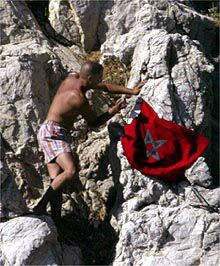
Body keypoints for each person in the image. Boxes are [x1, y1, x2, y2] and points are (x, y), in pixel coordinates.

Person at [33, 60, 145, 228]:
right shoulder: (78, 98)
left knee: (57, 179)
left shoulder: (73, 78)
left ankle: (56, 221)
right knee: (70, 171)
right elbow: (94, 123)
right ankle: (40, 206)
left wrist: (131, 91)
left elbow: (104, 86)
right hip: (53, 134)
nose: (101, 80)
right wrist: (114, 110)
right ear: (91, 78)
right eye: (99, 78)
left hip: (49, 130)